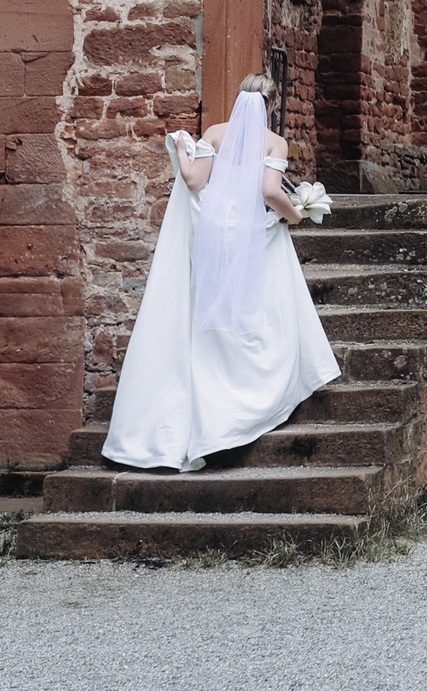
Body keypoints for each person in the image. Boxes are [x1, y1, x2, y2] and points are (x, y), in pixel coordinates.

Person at [102, 73, 341, 471]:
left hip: (210, 233)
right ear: (270, 105)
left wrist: (181, 148)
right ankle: (248, 399)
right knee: (257, 304)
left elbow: (194, 182)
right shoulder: (273, 141)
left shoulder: (213, 132)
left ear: (239, 99)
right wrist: (296, 214)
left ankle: (207, 399)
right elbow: (268, 192)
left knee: (208, 305)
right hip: (251, 234)